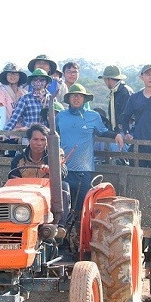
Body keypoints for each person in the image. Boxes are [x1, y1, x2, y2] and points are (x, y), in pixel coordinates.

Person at [56, 84, 115, 252]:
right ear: (68, 99)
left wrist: (117, 135)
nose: (76, 98)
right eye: (73, 96)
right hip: (63, 171)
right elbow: (52, 137)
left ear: (84, 99)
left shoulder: (93, 116)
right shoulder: (60, 116)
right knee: (61, 209)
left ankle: (81, 245)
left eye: (79, 96)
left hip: (84, 171)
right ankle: (61, 243)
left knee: (82, 209)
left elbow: (104, 132)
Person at [9, 123, 70, 228]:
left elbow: (63, 171)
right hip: (25, 196)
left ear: (47, 142)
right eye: (35, 139)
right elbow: (12, 178)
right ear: (29, 140)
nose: (39, 143)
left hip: (48, 194)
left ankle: (59, 226)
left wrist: (52, 171)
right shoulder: (19, 159)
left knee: (64, 186)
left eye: (43, 140)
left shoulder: (55, 155)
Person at [99, 65, 133, 134]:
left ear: (108, 79)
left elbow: (127, 115)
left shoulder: (125, 92)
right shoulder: (114, 92)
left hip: (124, 131)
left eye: (105, 80)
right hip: (117, 131)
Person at [0, 63, 28, 130]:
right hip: (8, 130)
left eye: (15, 74)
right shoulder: (1, 92)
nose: (12, 76)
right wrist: (2, 133)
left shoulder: (24, 93)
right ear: (6, 76)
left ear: (19, 76)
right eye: (9, 73)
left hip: (23, 130)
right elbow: (3, 116)